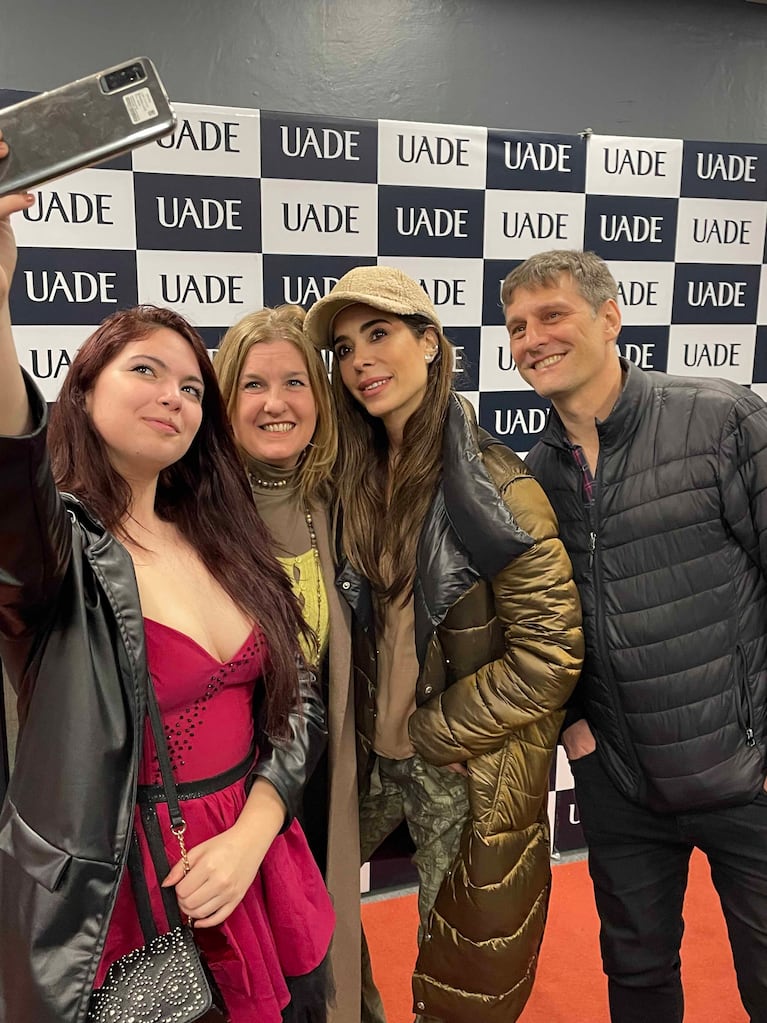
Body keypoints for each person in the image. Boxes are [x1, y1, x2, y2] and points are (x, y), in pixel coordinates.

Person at [0, 150, 335, 1023]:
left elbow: (297, 704)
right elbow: (9, 467)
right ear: (82, 391)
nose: (175, 396)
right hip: (135, 897)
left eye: (191, 385)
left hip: (259, 867)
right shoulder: (58, 552)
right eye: (143, 370)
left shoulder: (227, 539)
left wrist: (256, 828)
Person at [303, 265, 583, 1023]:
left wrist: (438, 727)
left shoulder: (495, 482)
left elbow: (549, 651)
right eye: (344, 346)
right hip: (368, 753)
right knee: (300, 915)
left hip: (455, 764)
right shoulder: (349, 472)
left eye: (380, 333)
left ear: (430, 343)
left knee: (457, 977)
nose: (360, 359)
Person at [501, 248, 767, 1023]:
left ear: (610, 318)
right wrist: (578, 728)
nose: (532, 339)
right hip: (619, 788)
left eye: (552, 315)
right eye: (517, 326)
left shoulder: (720, 418)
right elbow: (544, 626)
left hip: (744, 778)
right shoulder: (531, 476)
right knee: (637, 978)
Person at [215, 305, 359, 1023]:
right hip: (230, 798)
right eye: (253, 384)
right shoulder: (194, 508)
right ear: (222, 399)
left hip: (321, 775)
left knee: (316, 969)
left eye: (295, 382)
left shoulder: (336, 498)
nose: (276, 402)